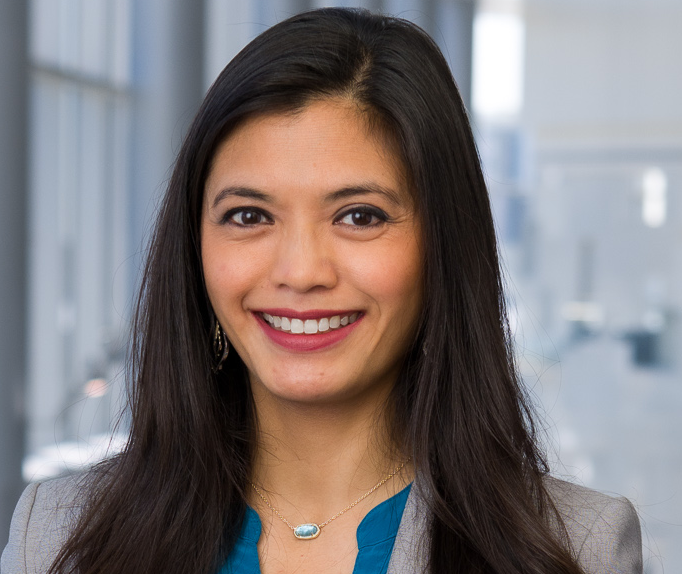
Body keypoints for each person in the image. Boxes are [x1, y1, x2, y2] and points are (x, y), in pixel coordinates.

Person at [2, 8, 642, 574]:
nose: (301, 271)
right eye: (249, 216)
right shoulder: (56, 538)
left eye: (359, 216)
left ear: (444, 244)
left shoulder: (576, 548)